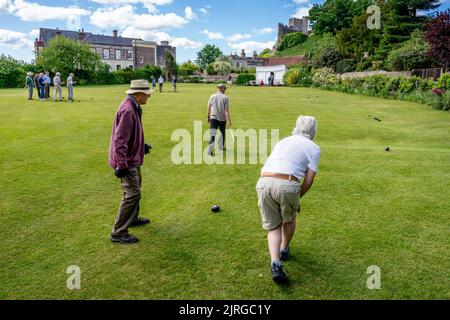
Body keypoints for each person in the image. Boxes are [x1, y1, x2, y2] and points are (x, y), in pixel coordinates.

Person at [256, 116, 321, 284]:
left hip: (263, 182)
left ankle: (275, 263)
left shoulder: (283, 141)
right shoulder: (313, 147)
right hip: (288, 184)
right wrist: (297, 198)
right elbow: (309, 180)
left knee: (273, 227)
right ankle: (284, 250)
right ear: (313, 131)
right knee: (289, 219)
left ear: (296, 127)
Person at [109, 79, 154, 244]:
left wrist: (142, 146)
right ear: (139, 94)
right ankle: (118, 232)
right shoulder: (128, 110)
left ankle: (132, 219)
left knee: (136, 190)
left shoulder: (135, 106)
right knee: (133, 193)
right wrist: (121, 165)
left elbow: (131, 135)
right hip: (126, 161)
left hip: (133, 157)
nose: (149, 97)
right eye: (147, 95)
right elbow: (119, 141)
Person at [207, 83, 232, 156]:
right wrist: (229, 121)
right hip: (222, 119)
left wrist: (208, 116)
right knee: (222, 133)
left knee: (212, 134)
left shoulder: (212, 96)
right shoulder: (225, 98)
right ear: (222, 89)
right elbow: (226, 110)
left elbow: (208, 107)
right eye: (225, 89)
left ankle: (210, 150)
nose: (225, 90)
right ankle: (221, 147)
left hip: (213, 117)